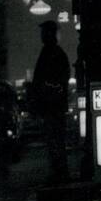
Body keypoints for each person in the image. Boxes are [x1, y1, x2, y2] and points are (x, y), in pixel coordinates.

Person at [30, 20, 71, 183]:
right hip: (55, 104)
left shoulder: (50, 53)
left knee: (54, 140)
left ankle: (59, 172)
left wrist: (42, 91)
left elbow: (45, 79)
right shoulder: (56, 52)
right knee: (56, 140)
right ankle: (59, 171)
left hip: (51, 105)